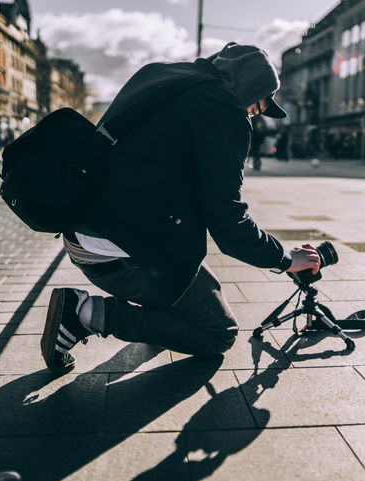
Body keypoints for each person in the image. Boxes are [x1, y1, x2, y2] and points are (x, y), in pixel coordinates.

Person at [39, 43, 322, 374]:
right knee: (219, 333)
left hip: (82, 228)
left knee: (196, 288)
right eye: (258, 107)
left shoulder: (161, 73)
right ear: (250, 90)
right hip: (120, 252)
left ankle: (152, 313)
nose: (254, 115)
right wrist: (284, 259)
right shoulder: (226, 110)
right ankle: (84, 314)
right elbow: (228, 222)